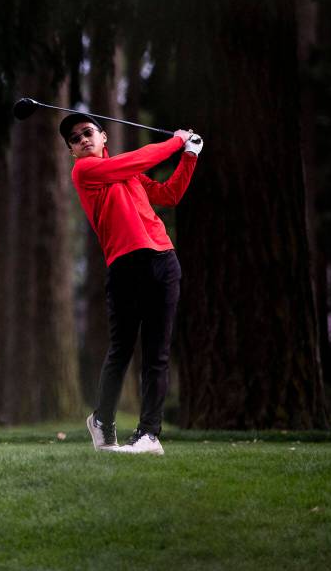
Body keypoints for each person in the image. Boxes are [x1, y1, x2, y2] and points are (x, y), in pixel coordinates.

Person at [60, 112, 202, 455]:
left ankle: (149, 435)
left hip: (164, 260)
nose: (82, 140)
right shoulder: (86, 171)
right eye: (75, 139)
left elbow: (169, 195)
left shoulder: (131, 174)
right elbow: (140, 158)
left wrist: (190, 156)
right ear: (72, 152)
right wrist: (176, 141)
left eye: (87, 132)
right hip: (125, 266)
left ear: (103, 136)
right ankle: (102, 421)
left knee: (158, 355)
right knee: (122, 350)